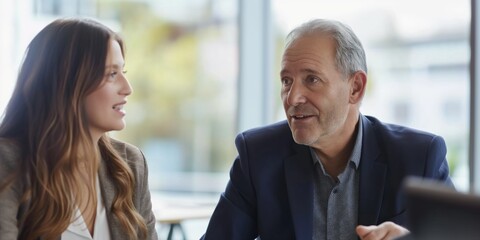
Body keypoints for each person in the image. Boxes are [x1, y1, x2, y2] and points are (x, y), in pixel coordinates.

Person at [201, 19, 453, 240]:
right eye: (286, 81)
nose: (292, 97)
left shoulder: (419, 158)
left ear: (355, 88)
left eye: (312, 79)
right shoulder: (258, 157)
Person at [0, 18, 158, 240]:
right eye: (112, 74)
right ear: (67, 82)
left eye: (123, 71)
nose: (127, 88)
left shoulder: (131, 163)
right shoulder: (8, 161)